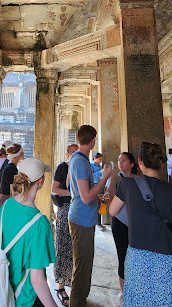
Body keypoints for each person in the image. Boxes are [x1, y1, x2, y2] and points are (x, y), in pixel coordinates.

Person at [109, 141, 172, 307]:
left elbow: (112, 210)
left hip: (138, 261)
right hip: (167, 262)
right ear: (161, 163)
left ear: (139, 162)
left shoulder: (127, 184)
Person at [0, 157, 57, 307]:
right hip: (24, 297)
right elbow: (37, 279)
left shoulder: (6, 205)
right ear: (41, 181)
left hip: (2, 290)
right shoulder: (40, 223)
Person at [68, 125, 112, 307]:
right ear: (93, 140)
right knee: (81, 265)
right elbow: (85, 197)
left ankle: (81, 299)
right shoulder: (79, 161)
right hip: (80, 218)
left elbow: (83, 191)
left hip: (85, 218)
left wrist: (97, 194)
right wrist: (105, 178)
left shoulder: (81, 159)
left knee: (86, 261)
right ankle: (76, 303)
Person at [50, 143, 78, 306]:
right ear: (67, 154)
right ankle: (61, 286)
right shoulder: (62, 168)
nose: (75, 155)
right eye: (72, 152)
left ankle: (74, 284)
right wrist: (73, 193)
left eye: (77, 152)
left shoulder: (82, 167)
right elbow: (55, 189)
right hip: (65, 209)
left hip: (79, 210)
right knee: (62, 248)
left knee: (76, 249)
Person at [107, 152, 137, 296]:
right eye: (119, 160)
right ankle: (124, 291)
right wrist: (112, 177)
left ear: (132, 164)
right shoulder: (117, 178)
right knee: (122, 255)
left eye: (124, 160)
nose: (121, 163)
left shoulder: (138, 179)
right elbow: (111, 196)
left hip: (135, 223)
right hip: (120, 222)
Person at [0, 143, 24, 211]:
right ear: (21, 154)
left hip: (4, 200)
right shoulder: (12, 169)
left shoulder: (10, 167)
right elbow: (13, 191)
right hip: (7, 201)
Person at [91, 152, 105, 231]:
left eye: (101, 159)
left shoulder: (99, 166)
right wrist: (100, 172)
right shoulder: (91, 165)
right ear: (95, 158)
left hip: (100, 186)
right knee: (94, 205)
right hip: (94, 186)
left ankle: (99, 223)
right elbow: (91, 175)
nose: (100, 161)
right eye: (99, 159)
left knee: (100, 204)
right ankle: (94, 222)